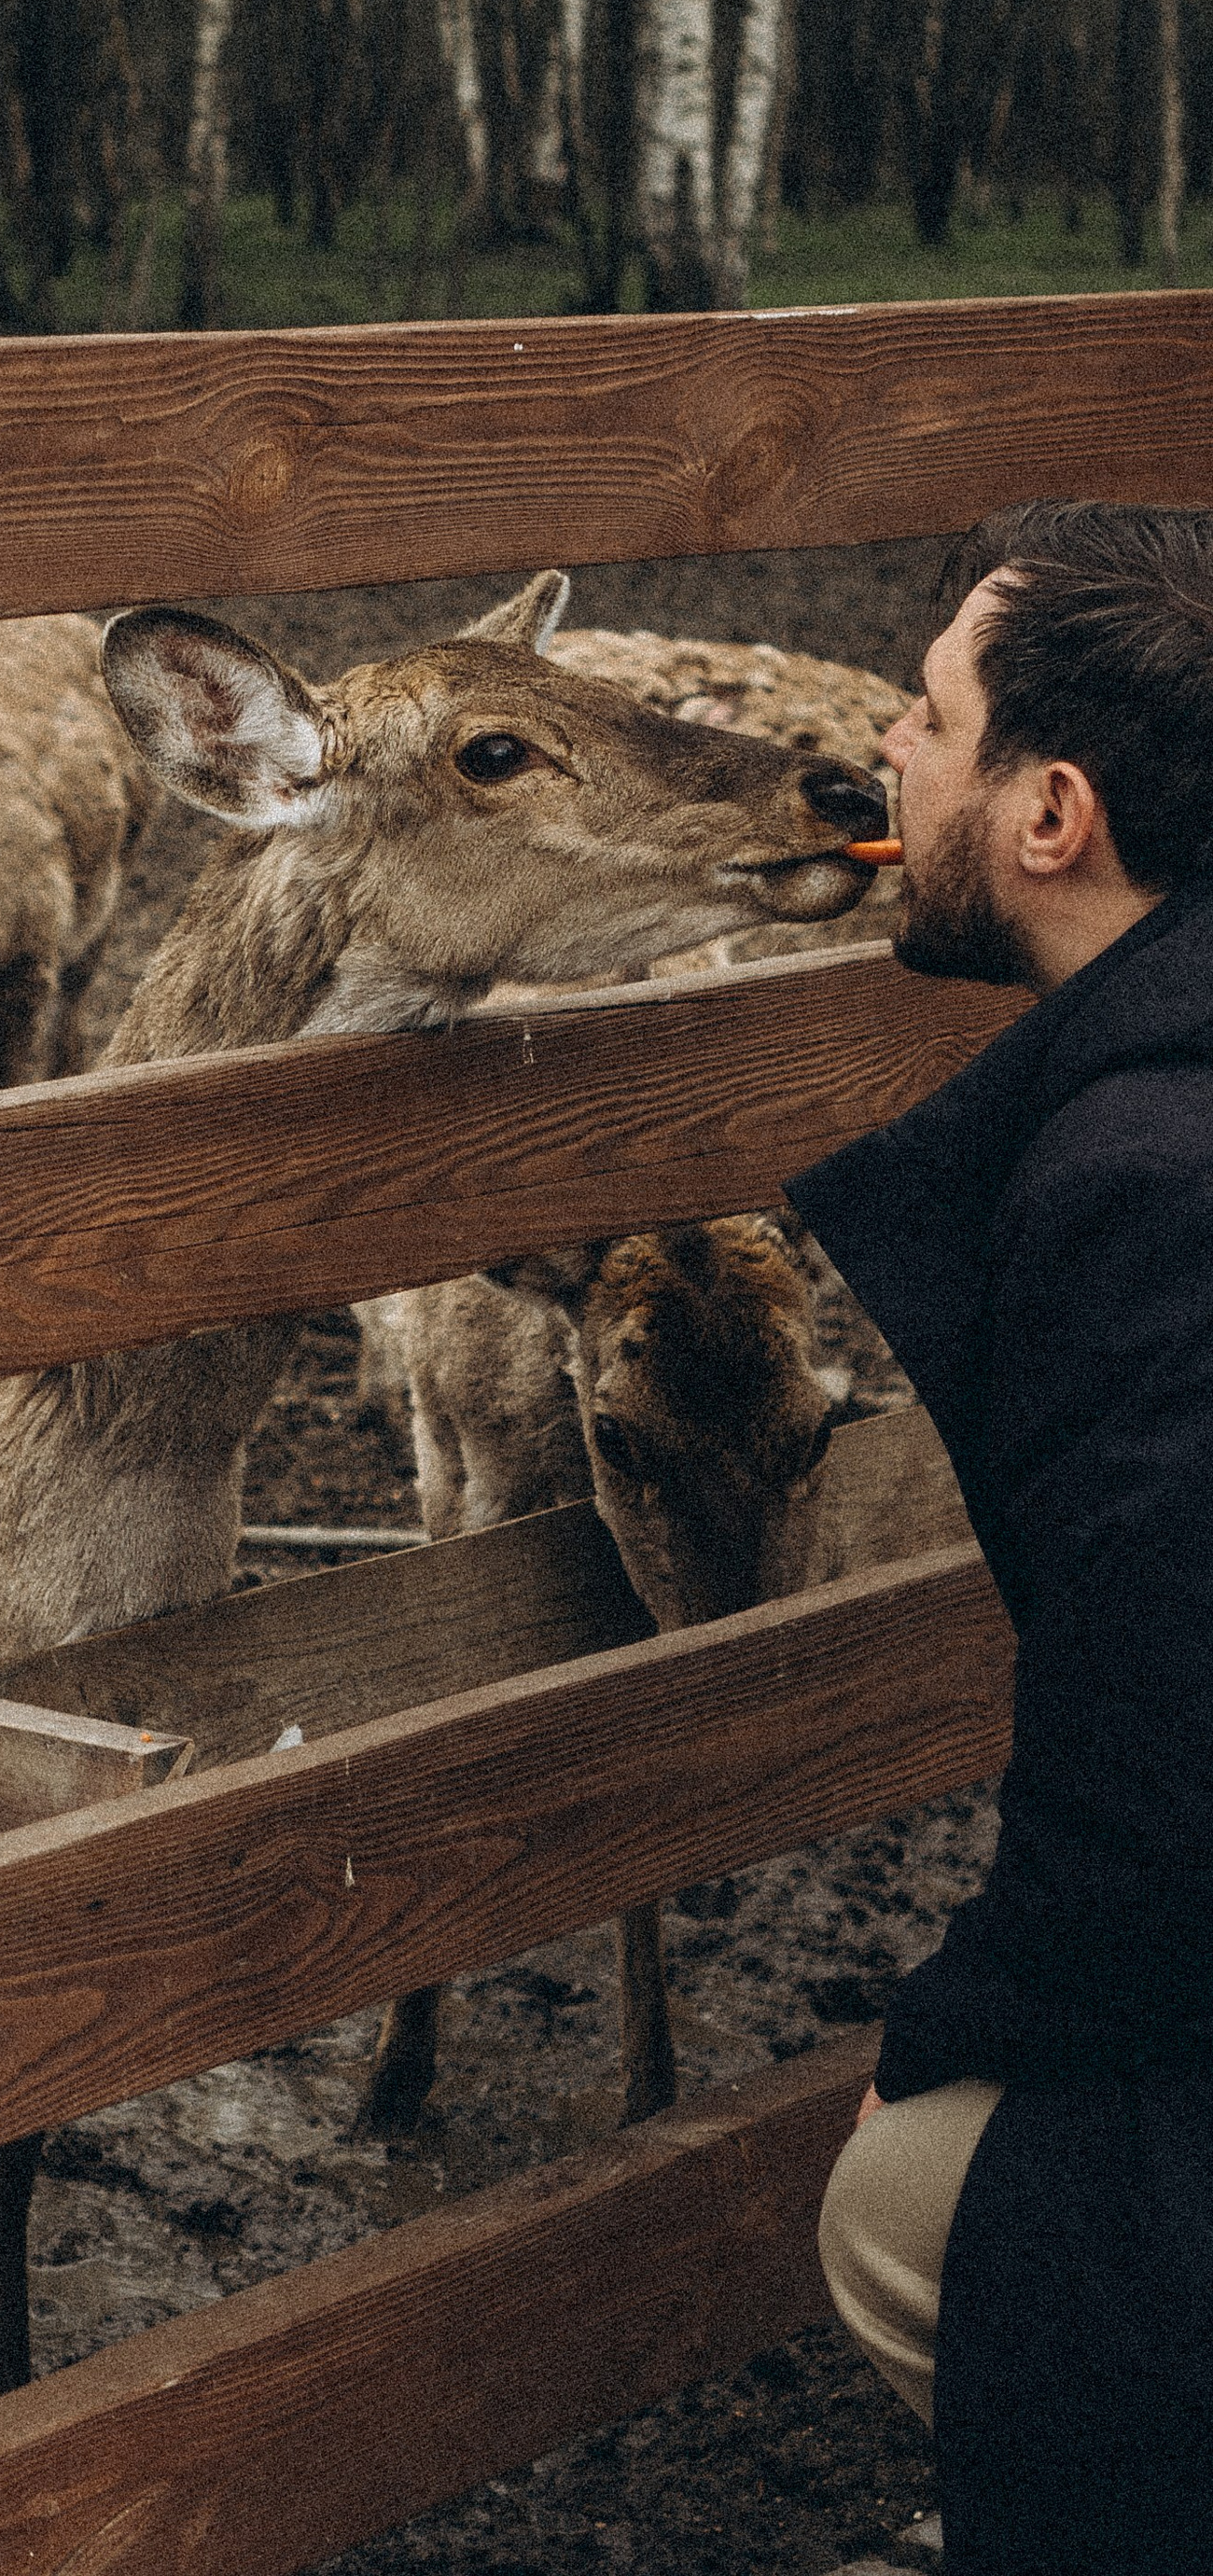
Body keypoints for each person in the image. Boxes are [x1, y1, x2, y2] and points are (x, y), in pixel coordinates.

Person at [794, 499, 1213, 2576]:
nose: (885, 740)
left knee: (914, 2206)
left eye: (927, 713)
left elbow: (1156, 1788)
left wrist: (941, 2047)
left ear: (1048, 814)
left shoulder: (1148, 1186)